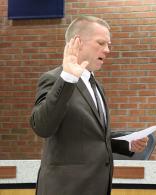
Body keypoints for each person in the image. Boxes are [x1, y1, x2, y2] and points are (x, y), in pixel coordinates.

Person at [30, 16, 148, 195]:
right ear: (77, 42)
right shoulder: (54, 79)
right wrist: (68, 78)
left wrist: (127, 143)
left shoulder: (96, 85)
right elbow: (42, 126)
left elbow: (92, 137)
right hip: (65, 189)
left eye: (109, 44)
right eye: (101, 43)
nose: (107, 50)